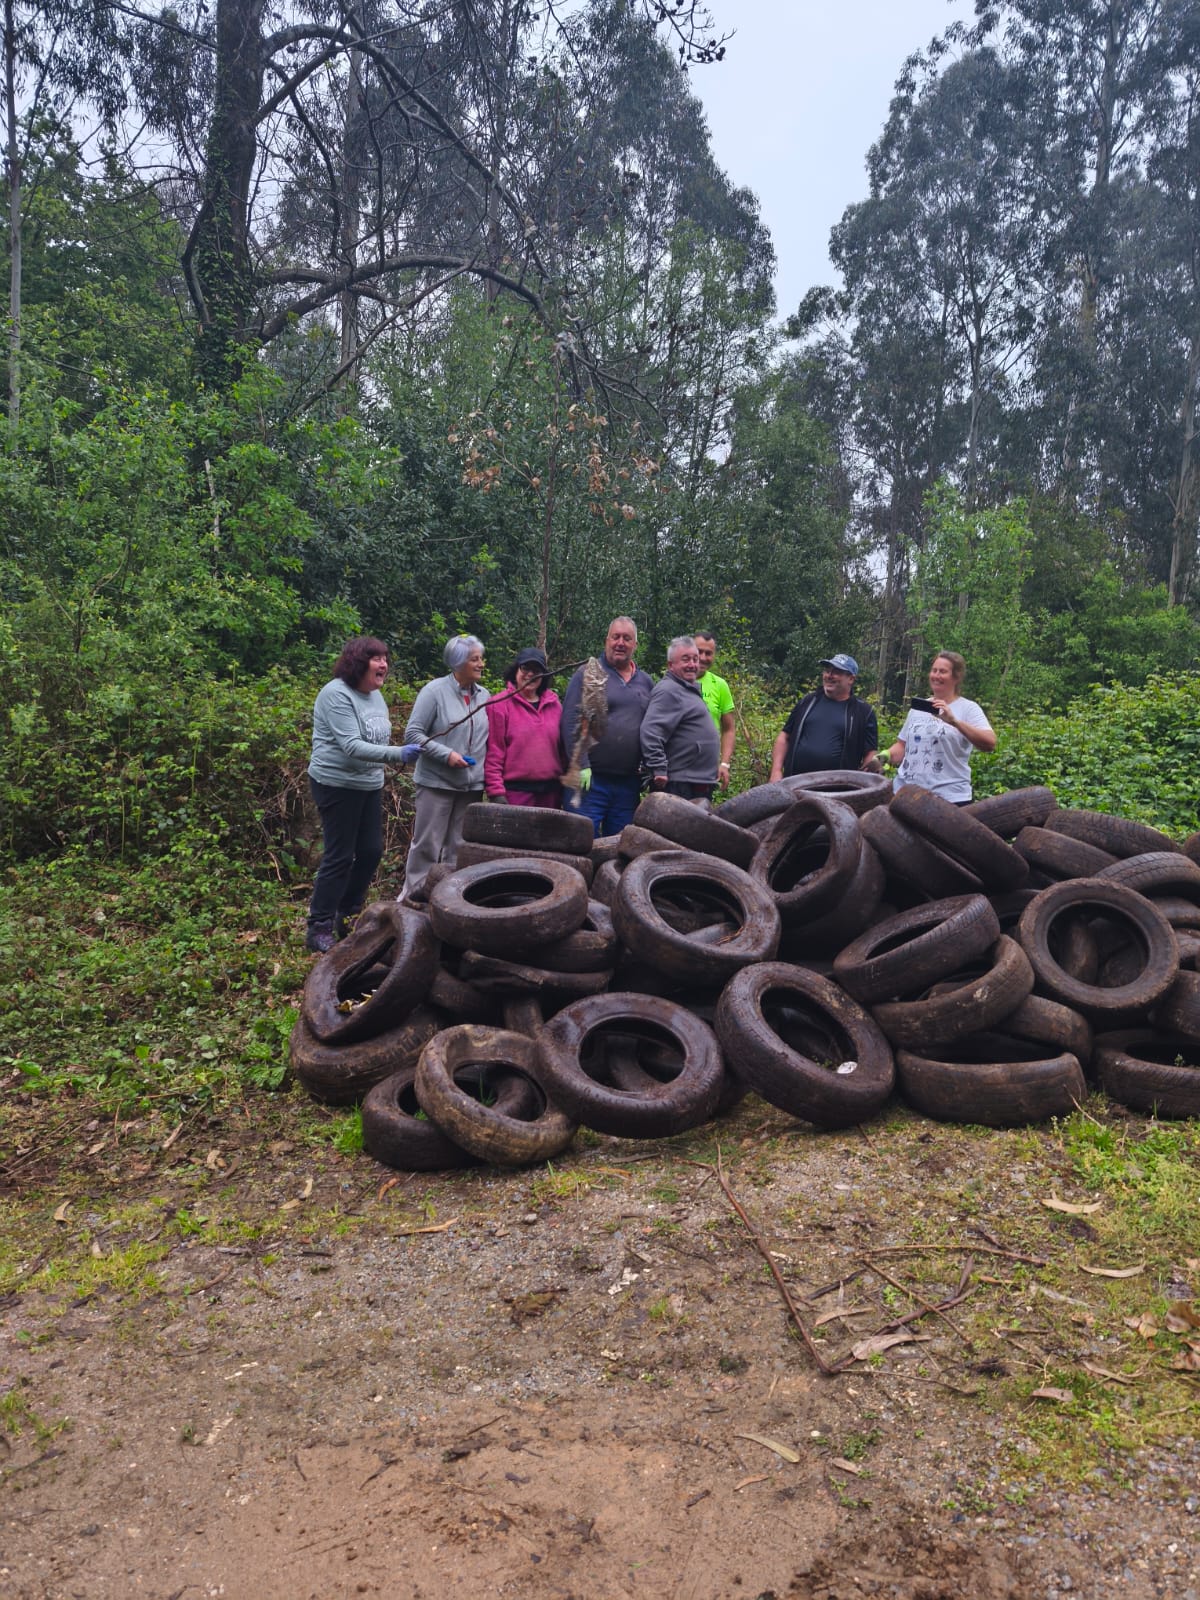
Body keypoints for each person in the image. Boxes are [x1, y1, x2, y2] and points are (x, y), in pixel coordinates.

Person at [306, 636, 421, 954]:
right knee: (340, 855)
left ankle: (349, 914)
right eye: (376, 658)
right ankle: (319, 926)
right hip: (336, 784)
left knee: (370, 852)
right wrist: (399, 754)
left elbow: (375, 739)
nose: (384, 663)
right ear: (358, 662)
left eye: (385, 657)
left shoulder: (375, 696)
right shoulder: (336, 695)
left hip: (368, 785)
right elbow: (352, 746)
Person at [400, 634, 489, 901]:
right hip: (436, 783)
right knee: (427, 845)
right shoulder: (434, 692)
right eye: (475, 659)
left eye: (480, 658)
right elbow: (413, 734)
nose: (481, 664)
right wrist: (445, 754)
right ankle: (412, 898)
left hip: (471, 786)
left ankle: (449, 901)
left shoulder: (486, 696)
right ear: (458, 662)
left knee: (459, 848)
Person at [561, 615, 654, 836]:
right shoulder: (588, 673)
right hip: (590, 782)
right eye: (616, 637)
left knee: (620, 846)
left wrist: (650, 767)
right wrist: (582, 763)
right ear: (607, 640)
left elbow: (654, 727)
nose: (620, 643)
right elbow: (570, 721)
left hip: (627, 784)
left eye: (627, 638)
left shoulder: (646, 682)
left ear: (635, 645)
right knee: (580, 843)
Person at [887, 650, 996, 803]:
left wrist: (953, 721)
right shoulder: (918, 708)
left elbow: (990, 743)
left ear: (956, 677)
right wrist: (883, 757)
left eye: (943, 672)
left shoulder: (968, 708)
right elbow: (903, 746)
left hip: (950, 798)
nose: (936, 676)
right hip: (906, 794)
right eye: (934, 670)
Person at [769, 654, 879, 781]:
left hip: (838, 790)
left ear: (851, 679)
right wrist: (776, 771)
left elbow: (870, 752)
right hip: (795, 783)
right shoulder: (808, 701)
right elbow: (784, 737)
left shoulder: (863, 712)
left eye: (836, 672)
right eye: (827, 671)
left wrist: (864, 780)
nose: (829, 676)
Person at [640, 636, 721, 800]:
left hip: (695, 782)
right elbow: (650, 731)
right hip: (677, 784)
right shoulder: (668, 690)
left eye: (695, 659)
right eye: (686, 660)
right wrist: (659, 768)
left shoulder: (686, 689)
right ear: (671, 665)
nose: (692, 665)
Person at [484, 647, 564, 808]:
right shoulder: (499, 705)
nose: (530, 674)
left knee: (549, 834)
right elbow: (494, 751)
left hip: (551, 793)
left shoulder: (555, 705)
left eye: (536, 670)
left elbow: (563, 750)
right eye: (525, 668)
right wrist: (496, 791)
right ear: (516, 670)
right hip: (515, 792)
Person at [695, 630, 735, 790]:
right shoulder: (673, 681)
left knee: (700, 812)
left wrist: (724, 763)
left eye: (708, 653)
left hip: (705, 771)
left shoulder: (720, 685)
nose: (703, 658)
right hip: (674, 770)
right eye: (699, 652)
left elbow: (729, 729)